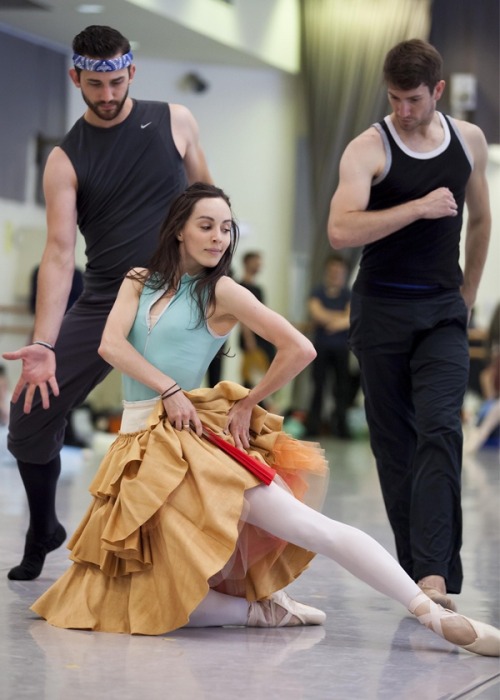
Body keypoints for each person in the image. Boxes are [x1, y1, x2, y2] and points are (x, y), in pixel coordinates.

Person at [30, 183, 499, 657]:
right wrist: (167, 388)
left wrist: (250, 400)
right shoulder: (138, 279)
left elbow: (301, 347)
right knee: (131, 599)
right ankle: (262, 612)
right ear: (178, 231)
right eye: (206, 226)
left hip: (188, 439)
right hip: (135, 448)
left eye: (226, 229)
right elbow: (111, 345)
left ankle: (433, 612)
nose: (218, 238)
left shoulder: (224, 290)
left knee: (309, 526)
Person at [2, 24, 212, 581]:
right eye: (95, 85)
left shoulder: (176, 121)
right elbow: (57, 253)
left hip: (178, 295)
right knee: (27, 418)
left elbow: (211, 203)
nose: (107, 95)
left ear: (131, 74)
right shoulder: (64, 159)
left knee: (185, 426)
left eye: (116, 82)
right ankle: (44, 527)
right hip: (104, 300)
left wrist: (216, 285)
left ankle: (196, 554)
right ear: (75, 78)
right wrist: (43, 343)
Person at [328, 39, 491, 611]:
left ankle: (435, 580)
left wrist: (467, 294)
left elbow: (480, 222)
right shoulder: (368, 148)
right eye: (395, 98)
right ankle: (418, 574)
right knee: (395, 449)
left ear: (438, 92)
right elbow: (341, 231)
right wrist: (417, 207)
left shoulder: (468, 140)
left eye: (414, 99)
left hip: (443, 311)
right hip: (381, 312)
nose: (404, 110)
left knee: (442, 429)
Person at [305, 253, 353, 439]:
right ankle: (313, 426)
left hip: (342, 349)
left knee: (342, 389)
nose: (336, 274)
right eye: (333, 270)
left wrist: (333, 318)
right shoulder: (317, 292)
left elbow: (350, 318)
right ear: (327, 271)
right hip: (320, 349)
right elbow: (317, 314)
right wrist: (339, 317)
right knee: (318, 387)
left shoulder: (349, 294)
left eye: (339, 271)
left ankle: (341, 428)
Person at [238, 252, 275, 390]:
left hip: (261, 335)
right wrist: (249, 338)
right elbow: (242, 314)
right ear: (247, 263)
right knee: (251, 373)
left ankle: (262, 403)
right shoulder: (240, 286)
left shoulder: (258, 288)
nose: (259, 265)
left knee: (263, 370)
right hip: (251, 337)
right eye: (256, 261)